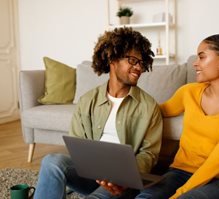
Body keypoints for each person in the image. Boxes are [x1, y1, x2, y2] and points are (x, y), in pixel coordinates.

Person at [133, 21, 219, 199]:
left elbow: (217, 162)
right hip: (179, 172)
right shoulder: (189, 91)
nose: (195, 64)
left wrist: (178, 195)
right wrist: (125, 101)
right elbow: (155, 111)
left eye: (202, 57)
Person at [33, 27, 163, 199]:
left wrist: (124, 176)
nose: (138, 67)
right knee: (51, 162)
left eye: (141, 62)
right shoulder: (88, 100)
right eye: (132, 60)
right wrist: (93, 168)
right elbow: (77, 143)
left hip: (122, 181)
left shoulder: (148, 106)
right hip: (90, 175)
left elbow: (149, 154)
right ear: (112, 58)